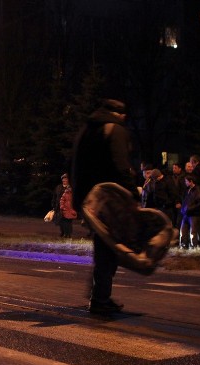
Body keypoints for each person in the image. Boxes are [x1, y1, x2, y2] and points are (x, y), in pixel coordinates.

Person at [72, 98, 139, 315]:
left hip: (88, 197)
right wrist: (131, 191)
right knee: (109, 247)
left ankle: (99, 295)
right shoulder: (114, 129)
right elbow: (121, 165)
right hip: (109, 198)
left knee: (104, 245)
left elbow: (74, 164)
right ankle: (100, 298)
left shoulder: (87, 129)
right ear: (120, 114)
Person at [180, 174, 200, 250]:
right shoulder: (188, 190)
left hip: (193, 215)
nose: (185, 183)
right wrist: (183, 209)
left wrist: (190, 208)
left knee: (193, 232)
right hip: (186, 214)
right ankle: (183, 246)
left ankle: (194, 247)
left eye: (186, 181)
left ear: (191, 182)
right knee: (183, 230)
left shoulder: (197, 190)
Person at [51, 174, 76, 238]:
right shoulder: (58, 187)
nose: (64, 180)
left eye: (66, 179)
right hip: (59, 207)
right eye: (63, 179)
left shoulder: (70, 188)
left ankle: (68, 234)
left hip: (68, 208)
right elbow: (55, 196)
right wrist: (53, 205)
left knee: (68, 221)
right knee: (61, 221)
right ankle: (63, 232)